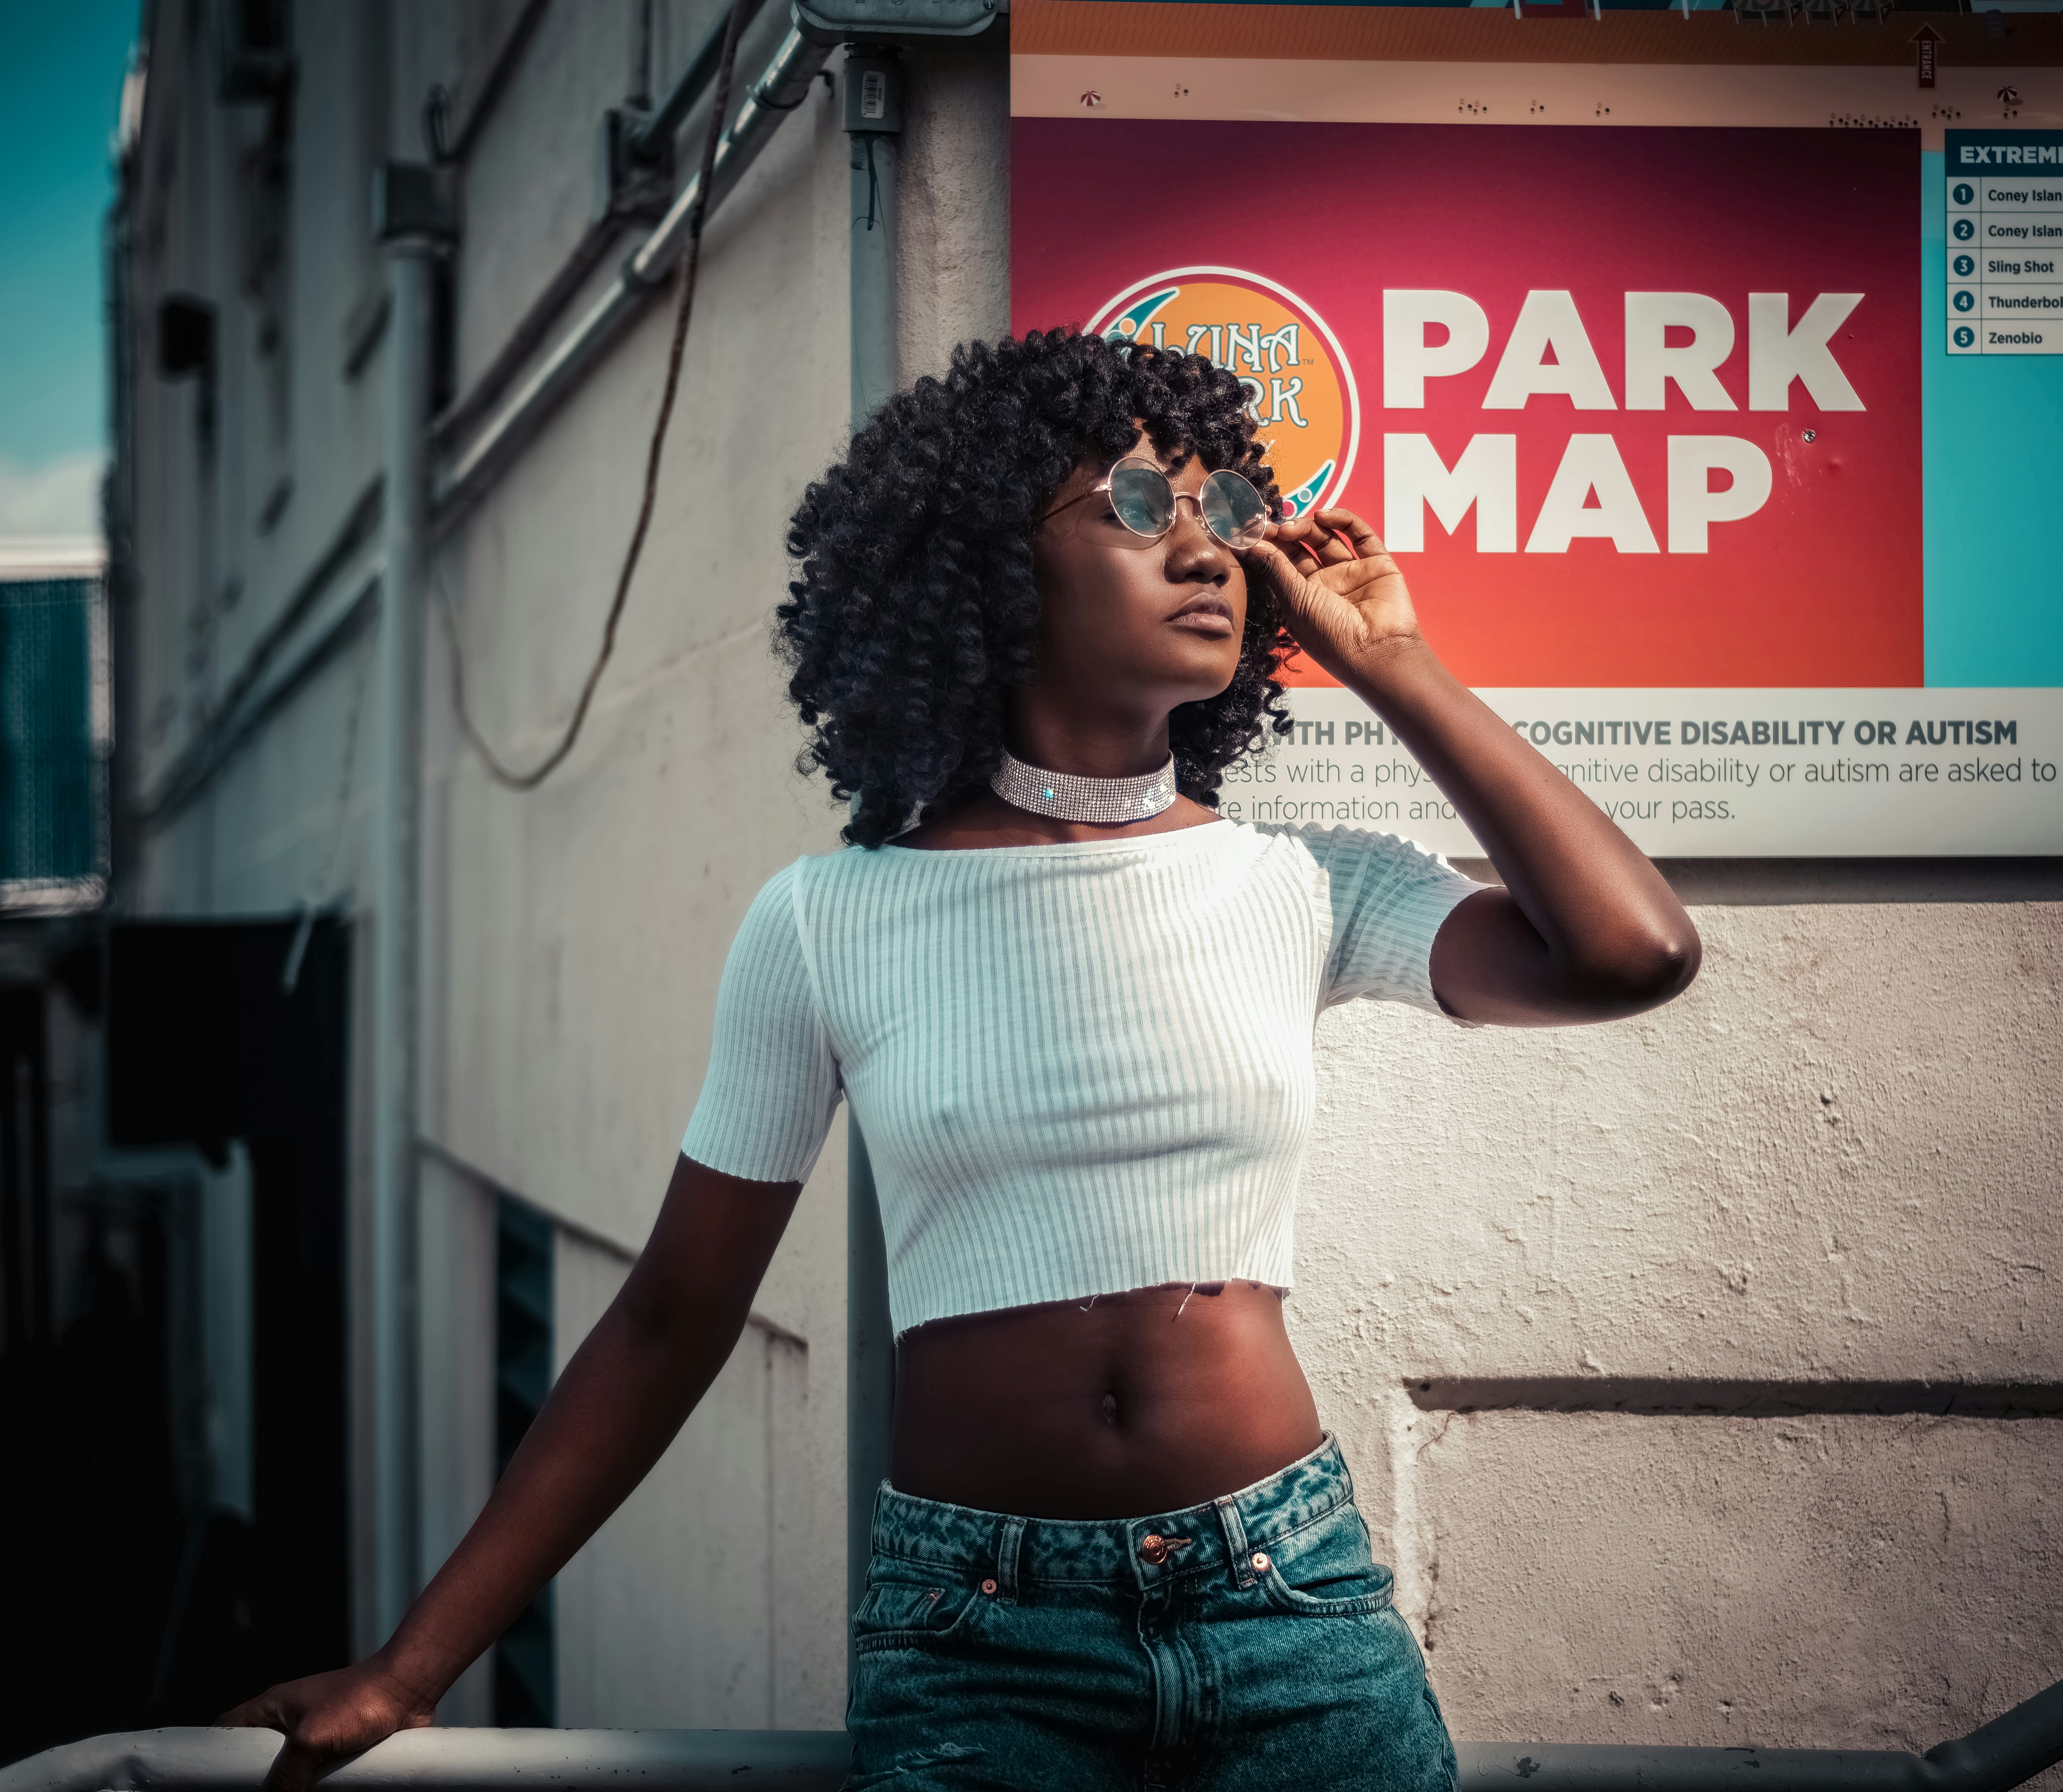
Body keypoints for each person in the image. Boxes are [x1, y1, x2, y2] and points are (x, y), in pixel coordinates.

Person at [225, 331, 1698, 1788]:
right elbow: (673, 1322)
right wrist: (411, 1672)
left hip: (1288, 1601)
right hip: (980, 1639)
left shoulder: (1309, 881)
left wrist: (1396, 668)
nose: (1208, 551)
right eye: (1137, 506)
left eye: (1229, 513)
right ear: (990, 569)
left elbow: (1632, 955)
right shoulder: (830, 919)